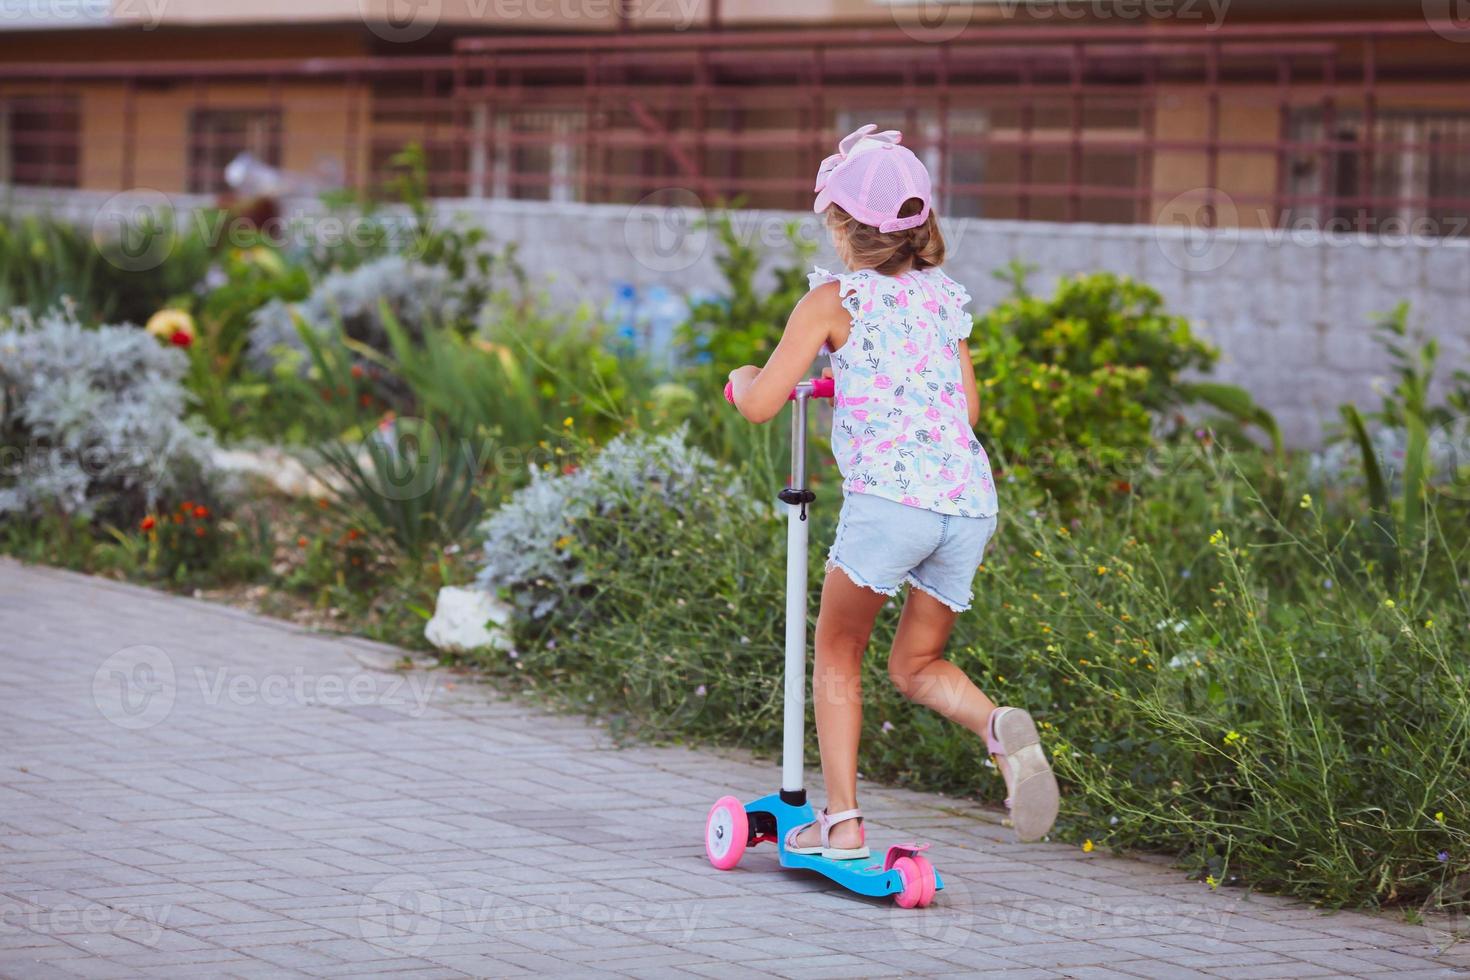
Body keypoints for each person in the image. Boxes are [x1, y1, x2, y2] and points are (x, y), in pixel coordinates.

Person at [726, 124, 1059, 858]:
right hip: (967, 504)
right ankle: (995, 727)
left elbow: (760, 405)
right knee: (915, 666)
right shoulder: (945, 300)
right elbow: (964, 409)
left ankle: (841, 823)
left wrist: (744, 380)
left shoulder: (833, 300)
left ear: (843, 226)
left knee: (839, 653)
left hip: (891, 507)